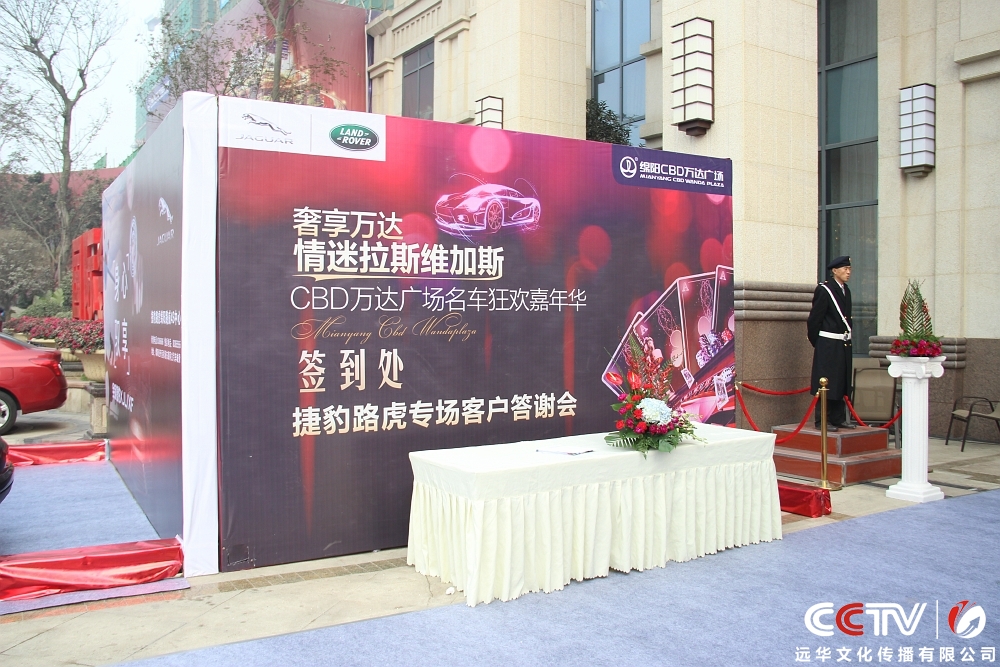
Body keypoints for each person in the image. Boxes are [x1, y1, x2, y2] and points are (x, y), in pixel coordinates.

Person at [807, 255, 854, 431]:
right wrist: (819, 342)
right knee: (826, 381)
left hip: (842, 343)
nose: (848, 272)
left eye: (849, 269)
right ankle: (822, 420)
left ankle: (838, 418)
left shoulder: (846, 290)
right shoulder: (824, 290)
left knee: (840, 380)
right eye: (845, 269)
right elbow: (815, 319)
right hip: (828, 344)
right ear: (835, 270)